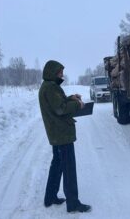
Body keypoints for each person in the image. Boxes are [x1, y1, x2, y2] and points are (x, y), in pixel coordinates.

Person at [38, 60, 92, 213]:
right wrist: (78, 104)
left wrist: (71, 98)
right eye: (60, 72)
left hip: (57, 133)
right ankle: (73, 203)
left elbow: (59, 102)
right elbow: (60, 109)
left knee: (58, 164)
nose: (62, 75)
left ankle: (50, 197)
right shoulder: (50, 88)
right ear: (52, 72)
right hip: (62, 134)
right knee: (68, 168)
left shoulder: (50, 87)